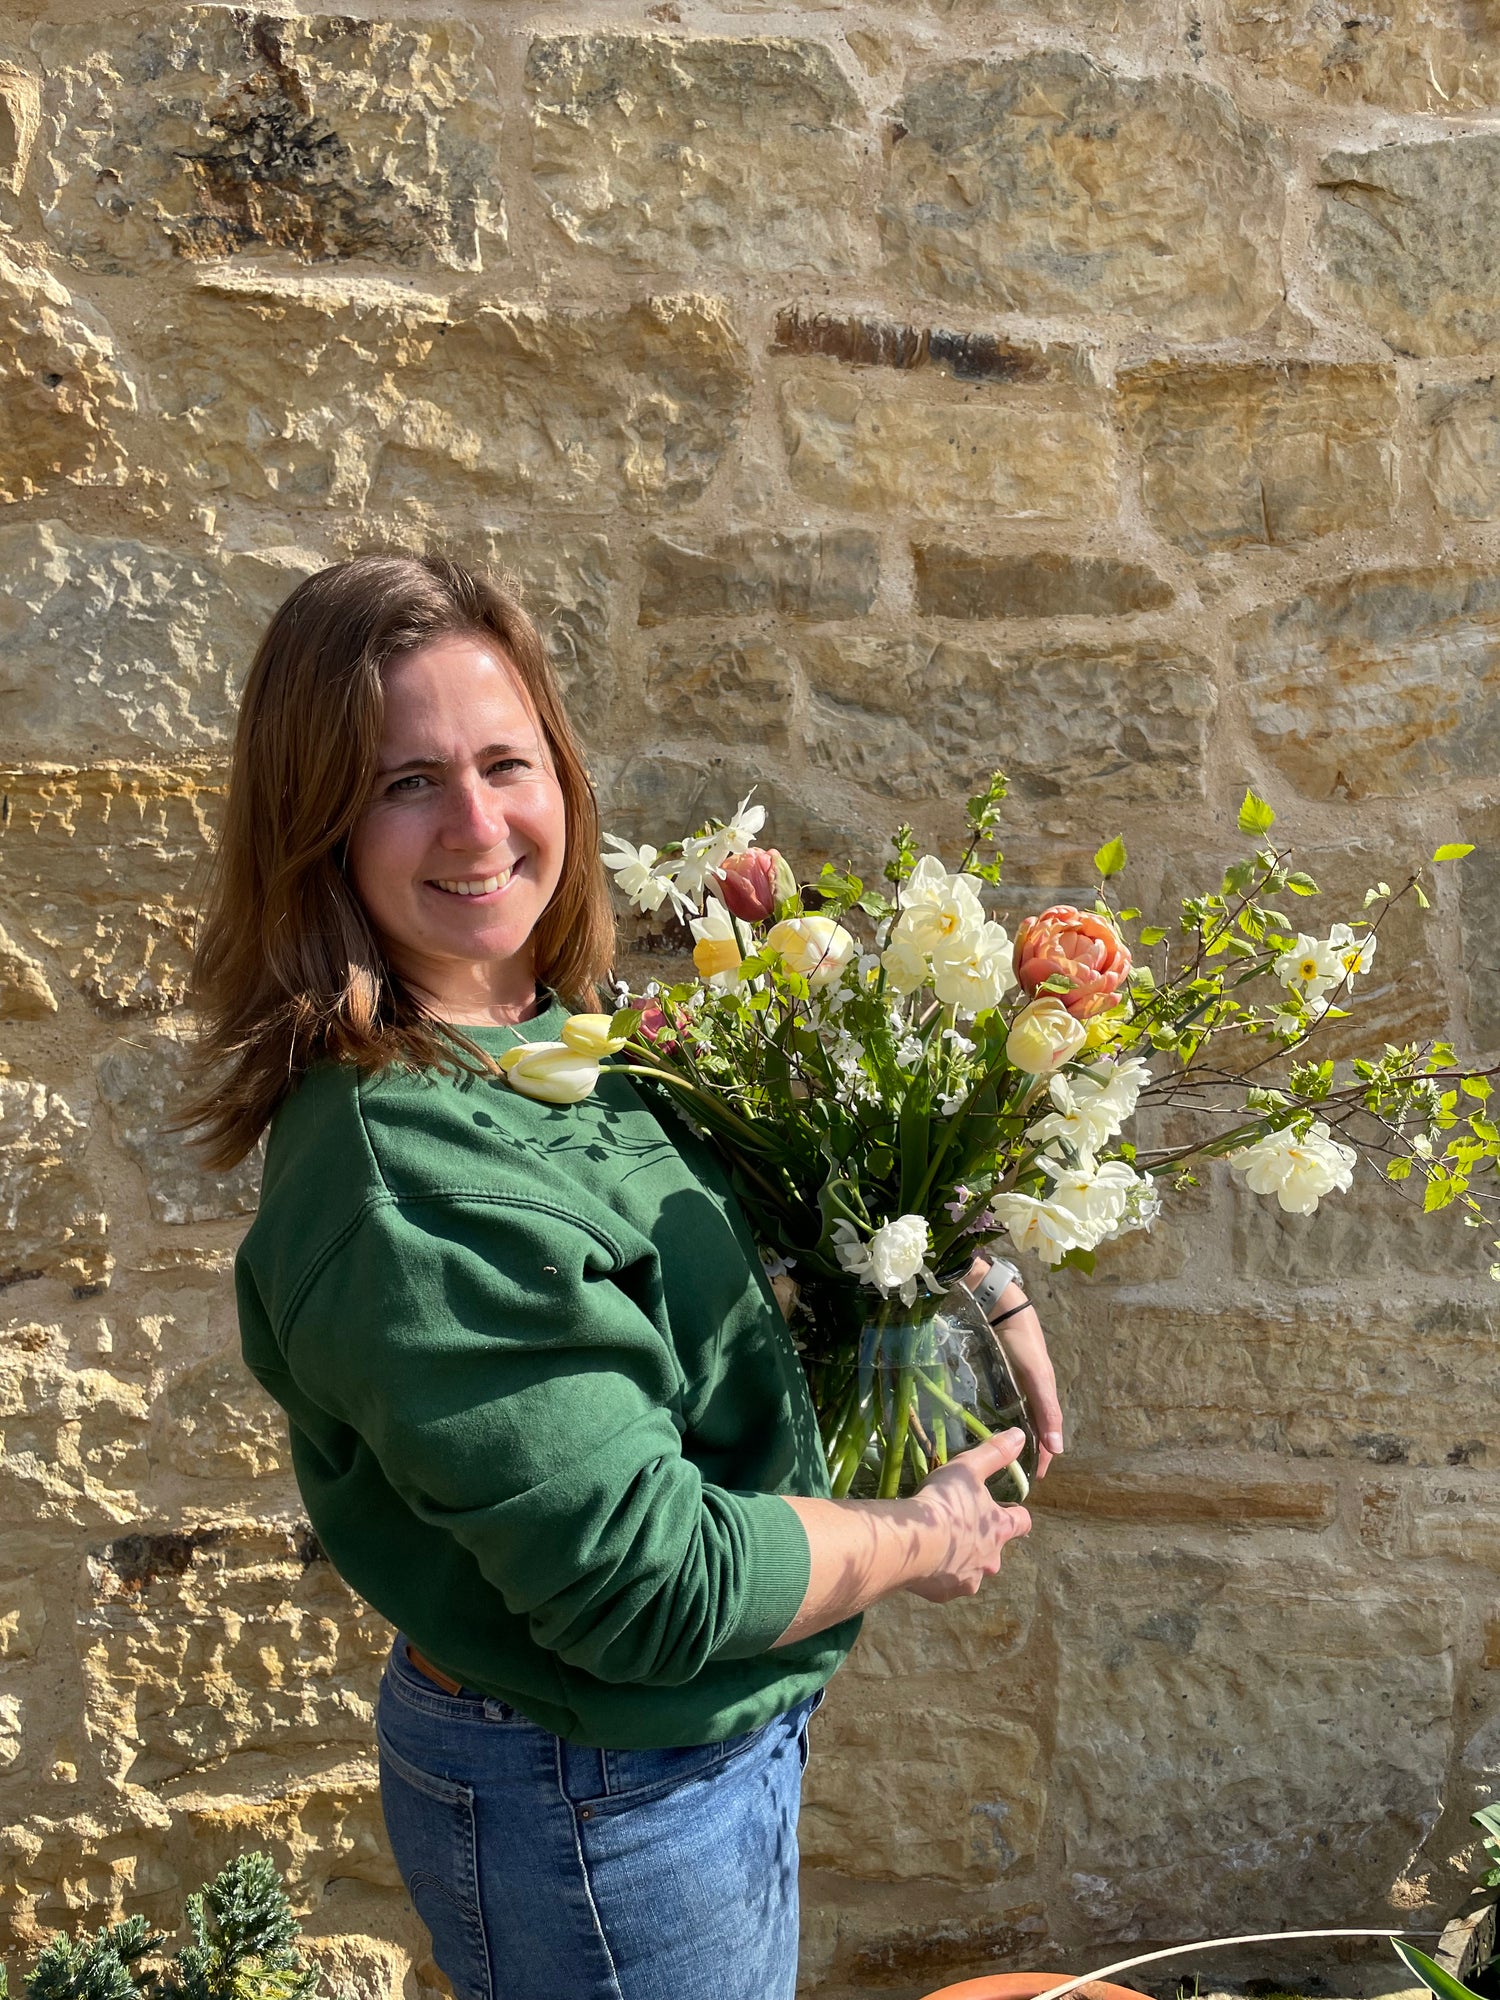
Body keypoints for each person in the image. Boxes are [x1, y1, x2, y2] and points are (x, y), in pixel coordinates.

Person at [185, 552, 1061, 2000]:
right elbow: (647, 1586)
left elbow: (797, 1173)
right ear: (316, 825)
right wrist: (920, 1533)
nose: (477, 826)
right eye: (406, 783)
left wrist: (973, 1256)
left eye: (505, 764)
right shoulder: (404, 1180)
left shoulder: (564, 1031)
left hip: (690, 1747)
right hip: (594, 1790)